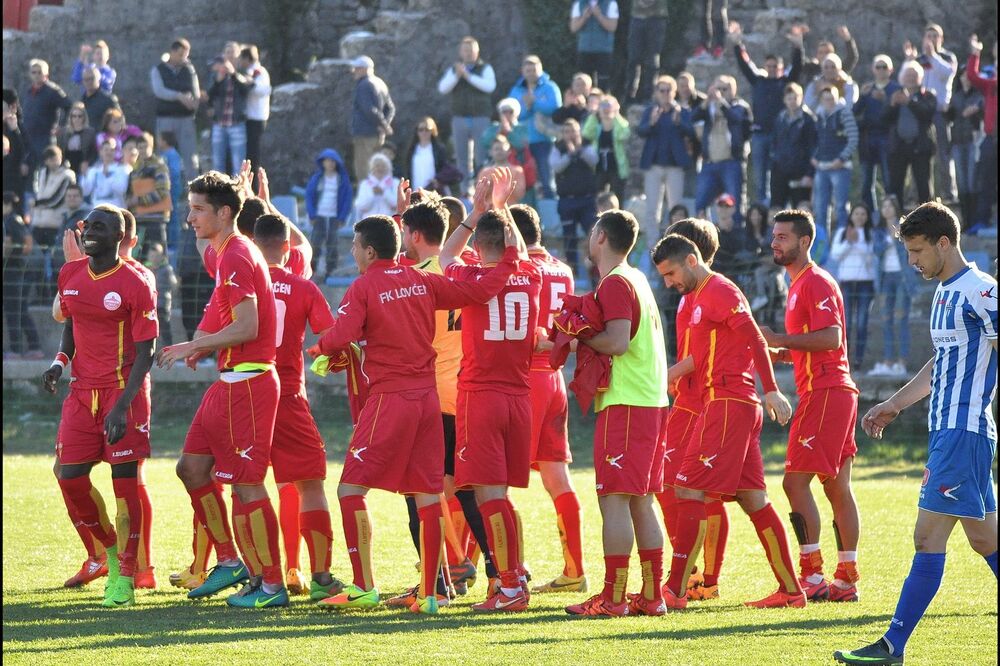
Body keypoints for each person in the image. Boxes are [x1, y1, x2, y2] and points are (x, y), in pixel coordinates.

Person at [308, 191, 523, 615]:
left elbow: (340, 335)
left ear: (369, 251)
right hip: (429, 400)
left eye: (355, 246)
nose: (353, 253)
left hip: (391, 398)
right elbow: (478, 292)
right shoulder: (420, 280)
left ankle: (364, 586)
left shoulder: (365, 285)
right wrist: (511, 260)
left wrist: (319, 350)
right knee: (427, 494)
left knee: (350, 488)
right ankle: (429, 595)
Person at [833, 201, 998, 666]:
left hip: (963, 433)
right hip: (950, 431)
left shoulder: (981, 291)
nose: (912, 261)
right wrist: (893, 404)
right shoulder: (946, 291)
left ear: (944, 243)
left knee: (927, 538)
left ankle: (892, 645)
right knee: (987, 541)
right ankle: (892, 647)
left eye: (918, 250)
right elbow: (941, 363)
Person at [155, 171, 288, 609]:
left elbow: (248, 326)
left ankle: (272, 586)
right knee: (191, 468)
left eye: (197, 209)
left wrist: (196, 344)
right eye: (189, 207)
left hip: (250, 383)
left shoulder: (236, 256)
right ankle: (229, 559)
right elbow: (205, 246)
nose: (188, 217)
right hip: (228, 383)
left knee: (248, 486)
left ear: (224, 213)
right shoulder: (224, 250)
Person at [653, 233, 800, 611]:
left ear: (691, 259)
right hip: (730, 405)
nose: (668, 283)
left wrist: (771, 390)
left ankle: (675, 590)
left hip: (729, 403)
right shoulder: (699, 298)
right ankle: (791, 590)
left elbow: (753, 336)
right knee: (754, 500)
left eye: (670, 274)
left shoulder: (719, 291)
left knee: (687, 491)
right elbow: (701, 358)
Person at [381, 196, 498, 608]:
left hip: (429, 396)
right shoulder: (461, 267)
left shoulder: (417, 276)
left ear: (413, 236)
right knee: (467, 490)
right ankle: (501, 575)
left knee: (418, 492)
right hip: (464, 392)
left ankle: (438, 584)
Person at [42, 205, 158, 607]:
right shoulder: (70, 274)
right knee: (69, 477)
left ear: (119, 236)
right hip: (80, 393)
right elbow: (72, 323)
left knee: (125, 487)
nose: (90, 232)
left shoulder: (136, 281)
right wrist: (60, 364)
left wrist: (122, 406)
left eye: (100, 227)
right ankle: (108, 550)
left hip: (122, 394)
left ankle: (126, 574)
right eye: (88, 226)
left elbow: (146, 353)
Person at [438, 171, 541, 613]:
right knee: (500, 495)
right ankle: (512, 580)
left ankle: (511, 584)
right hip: (520, 395)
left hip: (481, 396)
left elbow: (445, 254)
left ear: (478, 247)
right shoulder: (530, 274)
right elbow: (515, 252)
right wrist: (499, 211)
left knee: (489, 495)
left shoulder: (472, 279)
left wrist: (478, 211)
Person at [560, 210, 668, 617]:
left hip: (627, 402)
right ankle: (652, 596)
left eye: (591, 231)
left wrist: (579, 336)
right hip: (649, 400)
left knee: (615, 500)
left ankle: (614, 598)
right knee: (641, 500)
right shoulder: (636, 277)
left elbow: (618, 342)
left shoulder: (616, 282)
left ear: (601, 236)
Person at [763, 208, 862, 604]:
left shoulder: (815, 282)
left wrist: (780, 339)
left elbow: (832, 338)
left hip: (825, 393)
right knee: (838, 487)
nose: (775, 243)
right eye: (774, 236)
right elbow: (816, 346)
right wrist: (779, 352)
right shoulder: (799, 285)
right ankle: (846, 579)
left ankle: (812, 575)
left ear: (805, 242)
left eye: (783, 237)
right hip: (834, 390)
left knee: (793, 482)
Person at [245, 213, 346, 602]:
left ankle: (258, 576)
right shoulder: (302, 287)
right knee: (311, 485)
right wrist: (329, 356)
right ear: (287, 248)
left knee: (244, 486)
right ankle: (320, 577)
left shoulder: (237, 282)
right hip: (287, 395)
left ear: (253, 244)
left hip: (245, 395)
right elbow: (330, 334)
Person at [506, 203, 588, 594]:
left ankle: (511, 571)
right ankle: (575, 569)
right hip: (555, 378)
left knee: (496, 481)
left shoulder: (525, 269)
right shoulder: (563, 269)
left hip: (526, 379)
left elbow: (525, 328)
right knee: (558, 477)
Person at [654, 217, 730, 603]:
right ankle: (695, 573)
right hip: (688, 399)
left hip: (705, 402)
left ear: (691, 252)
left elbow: (704, 354)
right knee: (679, 486)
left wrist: (673, 370)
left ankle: (701, 577)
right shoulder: (690, 297)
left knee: (692, 489)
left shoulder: (709, 294)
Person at [730, 21, 803, 207]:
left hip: (779, 136)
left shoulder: (785, 83)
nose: (771, 69)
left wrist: (797, 46)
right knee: (759, 175)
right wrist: (738, 44)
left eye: (775, 66)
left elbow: (797, 66)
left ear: (780, 68)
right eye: (769, 66)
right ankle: (761, 207)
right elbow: (745, 65)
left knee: (778, 173)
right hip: (760, 135)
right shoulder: (758, 81)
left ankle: (777, 205)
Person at [638, 75, 697, 244]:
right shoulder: (650, 111)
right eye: (661, 90)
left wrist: (679, 123)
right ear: (657, 92)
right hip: (653, 166)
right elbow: (641, 131)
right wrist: (652, 122)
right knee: (652, 210)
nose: (665, 94)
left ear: (674, 92)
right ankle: (652, 246)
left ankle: (673, 244)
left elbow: (692, 133)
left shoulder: (682, 111)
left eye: (668, 90)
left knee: (676, 208)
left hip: (674, 166)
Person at [869, 195, 917, 378]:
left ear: (896, 208)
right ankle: (889, 361)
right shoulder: (879, 230)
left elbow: (910, 248)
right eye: (884, 206)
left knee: (901, 319)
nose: (887, 209)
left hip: (902, 277)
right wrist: (889, 240)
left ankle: (902, 362)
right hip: (885, 278)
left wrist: (897, 237)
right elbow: (877, 250)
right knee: (886, 319)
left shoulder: (906, 228)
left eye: (890, 206)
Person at [437, 37, 496, 186]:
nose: (468, 54)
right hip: (460, 118)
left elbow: (489, 87)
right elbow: (443, 88)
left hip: (480, 118)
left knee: (481, 156)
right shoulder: (454, 69)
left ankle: (482, 188)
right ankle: (464, 190)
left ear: (477, 52)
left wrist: (467, 76)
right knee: (461, 157)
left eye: (471, 51)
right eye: (465, 51)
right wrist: (457, 75)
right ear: (460, 52)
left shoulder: (485, 68)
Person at [911, 23, 959, 203]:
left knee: (943, 154)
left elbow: (948, 74)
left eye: (934, 36)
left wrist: (933, 56)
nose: (931, 40)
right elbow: (910, 79)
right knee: (921, 154)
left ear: (941, 39)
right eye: (928, 36)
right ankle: (921, 195)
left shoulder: (947, 57)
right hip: (923, 113)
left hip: (939, 112)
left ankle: (949, 192)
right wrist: (911, 60)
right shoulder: (919, 60)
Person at [692, 76, 752, 220]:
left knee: (735, 206)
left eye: (724, 89)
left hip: (731, 163)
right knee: (700, 204)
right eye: (717, 89)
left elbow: (735, 118)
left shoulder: (740, 106)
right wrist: (706, 102)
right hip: (710, 163)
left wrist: (721, 103)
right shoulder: (709, 107)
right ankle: (704, 235)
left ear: (733, 90)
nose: (720, 92)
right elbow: (692, 117)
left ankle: (735, 236)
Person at [854, 55, 902, 217]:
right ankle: (872, 216)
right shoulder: (867, 89)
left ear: (891, 70)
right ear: (873, 70)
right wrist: (861, 96)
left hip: (887, 137)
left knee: (889, 181)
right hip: (868, 139)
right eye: (878, 67)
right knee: (867, 182)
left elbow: (897, 114)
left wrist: (886, 100)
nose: (881, 70)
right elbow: (855, 113)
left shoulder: (896, 88)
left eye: (884, 67)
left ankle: (890, 216)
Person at [508, 55, 562, 200]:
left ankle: (551, 216)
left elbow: (555, 109)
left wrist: (535, 103)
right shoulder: (517, 90)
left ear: (540, 69)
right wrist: (528, 106)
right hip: (523, 142)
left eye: (534, 69)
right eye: (528, 70)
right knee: (523, 181)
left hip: (544, 140)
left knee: (547, 179)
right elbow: (513, 113)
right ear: (523, 71)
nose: (531, 73)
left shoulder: (550, 87)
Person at [884, 61, 937, 207]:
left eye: (914, 76)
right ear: (902, 78)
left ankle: (928, 216)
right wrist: (892, 105)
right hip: (899, 146)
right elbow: (884, 119)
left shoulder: (927, 95)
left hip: (920, 146)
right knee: (896, 185)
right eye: (908, 76)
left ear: (920, 78)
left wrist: (909, 102)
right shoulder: (895, 95)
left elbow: (926, 114)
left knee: (923, 184)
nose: (911, 79)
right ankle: (895, 219)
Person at [831, 204, 877, 368]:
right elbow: (835, 255)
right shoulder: (842, 233)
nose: (859, 217)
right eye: (856, 213)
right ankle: (844, 357)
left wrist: (857, 243)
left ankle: (858, 359)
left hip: (865, 283)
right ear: (851, 215)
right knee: (846, 322)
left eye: (863, 214)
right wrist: (849, 243)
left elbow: (871, 258)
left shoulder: (870, 234)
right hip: (847, 283)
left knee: (862, 321)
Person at [550, 118, 598, 274]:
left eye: (574, 131)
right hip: (567, 200)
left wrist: (579, 151)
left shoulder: (587, 145)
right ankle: (572, 271)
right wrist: (570, 155)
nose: (571, 135)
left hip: (587, 199)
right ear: (563, 134)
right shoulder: (558, 148)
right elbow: (556, 167)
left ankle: (594, 268)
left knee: (593, 233)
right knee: (569, 237)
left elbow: (594, 160)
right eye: (567, 132)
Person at [811, 86, 858, 234]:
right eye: (825, 99)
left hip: (841, 168)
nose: (828, 101)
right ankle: (822, 244)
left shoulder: (844, 113)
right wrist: (813, 157)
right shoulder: (818, 116)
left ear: (837, 98)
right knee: (820, 207)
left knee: (841, 207)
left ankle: (841, 240)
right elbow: (814, 140)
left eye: (831, 98)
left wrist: (841, 159)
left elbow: (853, 139)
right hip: (821, 167)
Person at [151, 39, 200, 180]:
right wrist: (179, 96)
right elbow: (159, 91)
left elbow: (195, 90)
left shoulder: (189, 69)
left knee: (190, 157)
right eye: (180, 54)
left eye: (185, 55)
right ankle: (164, 189)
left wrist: (193, 101)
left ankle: (193, 190)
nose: (183, 58)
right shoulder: (158, 70)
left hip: (186, 119)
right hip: (165, 119)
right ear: (172, 52)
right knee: (163, 157)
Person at [3, 192, 42, 360]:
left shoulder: (12, 220)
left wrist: (11, 255)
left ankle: (17, 349)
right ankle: (32, 347)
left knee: (15, 310)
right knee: (18, 310)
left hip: (15, 272)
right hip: (14, 271)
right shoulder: (10, 220)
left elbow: (26, 243)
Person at [304, 148, 353, 278]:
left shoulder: (342, 180)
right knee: (315, 243)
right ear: (323, 163)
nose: (330, 164)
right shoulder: (317, 179)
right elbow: (309, 196)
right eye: (327, 161)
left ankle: (330, 271)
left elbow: (347, 199)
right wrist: (312, 214)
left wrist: (342, 217)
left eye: (333, 161)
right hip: (319, 216)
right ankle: (311, 270)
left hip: (334, 217)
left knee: (333, 244)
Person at [967, 35, 997, 231]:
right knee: (985, 180)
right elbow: (973, 76)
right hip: (991, 139)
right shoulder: (992, 83)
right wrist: (975, 53)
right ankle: (982, 220)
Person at [770, 83, 817, 210]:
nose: (792, 101)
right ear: (784, 99)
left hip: (800, 171)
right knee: (777, 208)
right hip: (780, 170)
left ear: (801, 98)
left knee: (801, 209)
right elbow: (774, 143)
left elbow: (813, 148)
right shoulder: (780, 118)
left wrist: (809, 174)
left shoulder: (808, 120)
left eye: (795, 98)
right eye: (789, 98)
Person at [349, 56, 395, 183]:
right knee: (378, 169)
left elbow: (369, 109)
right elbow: (390, 108)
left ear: (365, 69)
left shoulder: (364, 85)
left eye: (357, 68)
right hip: (378, 135)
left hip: (364, 135)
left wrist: (383, 125)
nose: (354, 71)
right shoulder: (380, 83)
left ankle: (368, 200)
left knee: (364, 171)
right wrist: (384, 125)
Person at [947, 69, 984, 227]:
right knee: (961, 182)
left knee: (971, 181)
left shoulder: (979, 97)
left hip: (973, 141)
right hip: (957, 142)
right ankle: (966, 221)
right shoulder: (955, 97)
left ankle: (975, 219)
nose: (966, 79)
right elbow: (949, 117)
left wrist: (976, 111)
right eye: (964, 75)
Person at [207, 55, 254, 175]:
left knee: (238, 165)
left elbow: (246, 90)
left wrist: (233, 74)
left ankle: (237, 192)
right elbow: (209, 96)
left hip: (237, 124)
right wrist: (218, 81)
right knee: (217, 164)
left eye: (232, 53)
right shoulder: (216, 75)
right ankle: (219, 192)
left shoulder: (244, 73)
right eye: (227, 53)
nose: (229, 58)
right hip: (219, 124)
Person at [21, 59, 72, 170]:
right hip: (29, 139)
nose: (36, 75)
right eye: (34, 72)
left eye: (40, 72)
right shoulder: (28, 92)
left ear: (46, 74)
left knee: (47, 170)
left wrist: (61, 125)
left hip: (45, 139)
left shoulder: (53, 91)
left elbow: (69, 106)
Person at [126, 132, 172, 254]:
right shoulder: (135, 170)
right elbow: (130, 193)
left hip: (156, 220)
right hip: (139, 219)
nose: (142, 150)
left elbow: (162, 191)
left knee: (158, 257)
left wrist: (139, 201)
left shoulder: (159, 166)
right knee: (140, 258)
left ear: (151, 147)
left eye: (145, 146)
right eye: (140, 147)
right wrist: (129, 201)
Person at [582, 95, 629, 203]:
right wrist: (594, 116)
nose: (606, 109)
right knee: (597, 196)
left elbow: (624, 134)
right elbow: (586, 133)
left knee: (617, 196)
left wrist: (616, 115)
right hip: (599, 166)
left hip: (616, 166)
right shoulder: (596, 125)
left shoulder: (619, 124)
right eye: (603, 105)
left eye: (609, 106)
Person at [624, 0, 669, 104]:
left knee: (652, 60)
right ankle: (630, 95)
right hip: (637, 17)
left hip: (657, 17)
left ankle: (649, 95)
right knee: (633, 59)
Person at [569, 0, 619, 92]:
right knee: (583, 81)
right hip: (584, 49)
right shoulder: (579, 4)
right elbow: (573, 27)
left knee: (603, 82)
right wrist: (584, 17)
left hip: (603, 50)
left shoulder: (610, 3)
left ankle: (602, 104)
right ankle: (584, 104)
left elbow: (612, 27)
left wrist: (599, 15)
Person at [403, 116, 460, 194]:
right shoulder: (411, 150)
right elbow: (407, 172)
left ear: (432, 131)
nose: (424, 132)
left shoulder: (439, 149)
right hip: (415, 191)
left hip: (434, 191)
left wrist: (438, 180)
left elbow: (446, 167)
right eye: (421, 130)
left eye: (427, 129)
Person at [238, 45, 271, 180]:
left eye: (241, 58)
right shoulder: (250, 71)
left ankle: (254, 186)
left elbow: (264, 90)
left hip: (257, 118)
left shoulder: (259, 72)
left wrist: (251, 84)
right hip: (249, 118)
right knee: (247, 155)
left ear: (247, 58)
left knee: (253, 155)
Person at [144, 242, 177, 348]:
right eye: (152, 255)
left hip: (162, 304)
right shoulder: (144, 268)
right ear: (148, 256)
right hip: (148, 304)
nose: (154, 258)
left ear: (162, 256)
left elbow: (174, 285)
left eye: (157, 256)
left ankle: (169, 351)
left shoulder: (167, 269)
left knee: (165, 329)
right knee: (147, 330)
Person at [476, 136, 526, 204]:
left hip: (510, 210)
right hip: (490, 211)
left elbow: (520, 195)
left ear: (509, 151)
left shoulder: (517, 170)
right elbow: (479, 195)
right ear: (490, 152)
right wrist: (490, 184)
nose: (499, 152)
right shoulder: (484, 172)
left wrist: (506, 183)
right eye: (496, 149)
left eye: (502, 149)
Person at [81, 138, 130, 208]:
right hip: (97, 209)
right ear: (100, 152)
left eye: (112, 150)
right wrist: (84, 175)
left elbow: (122, 190)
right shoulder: (93, 170)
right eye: (106, 150)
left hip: (116, 210)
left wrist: (108, 176)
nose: (108, 152)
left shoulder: (122, 169)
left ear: (116, 152)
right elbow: (85, 192)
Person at [158, 131, 184, 251]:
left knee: (173, 216)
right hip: (168, 189)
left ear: (165, 141)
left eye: (160, 139)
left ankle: (173, 245)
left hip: (172, 189)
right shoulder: (166, 154)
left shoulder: (171, 154)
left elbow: (174, 172)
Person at [57, 102, 97, 177]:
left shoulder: (90, 132)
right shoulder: (63, 132)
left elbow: (94, 152)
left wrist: (88, 163)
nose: (77, 119)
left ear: (84, 117)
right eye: (74, 116)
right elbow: (59, 149)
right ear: (70, 117)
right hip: (66, 166)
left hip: (83, 165)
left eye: (80, 116)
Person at [355, 152, 398, 218]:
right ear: (372, 168)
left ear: (388, 168)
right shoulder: (365, 184)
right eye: (377, 166)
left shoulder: (395, 183)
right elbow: (360, 206)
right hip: (369, 222)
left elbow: (397, 204)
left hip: (389, 222)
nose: (380, 168)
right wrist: (372, 193)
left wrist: (384, 192)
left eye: (383, 166)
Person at [80, 65, 120, 133]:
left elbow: (119, 120)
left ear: (99, 79)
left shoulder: (108, 99)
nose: (89, 82)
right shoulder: (81, 101)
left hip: (103, 140)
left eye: (92, 78)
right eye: (86, 79)